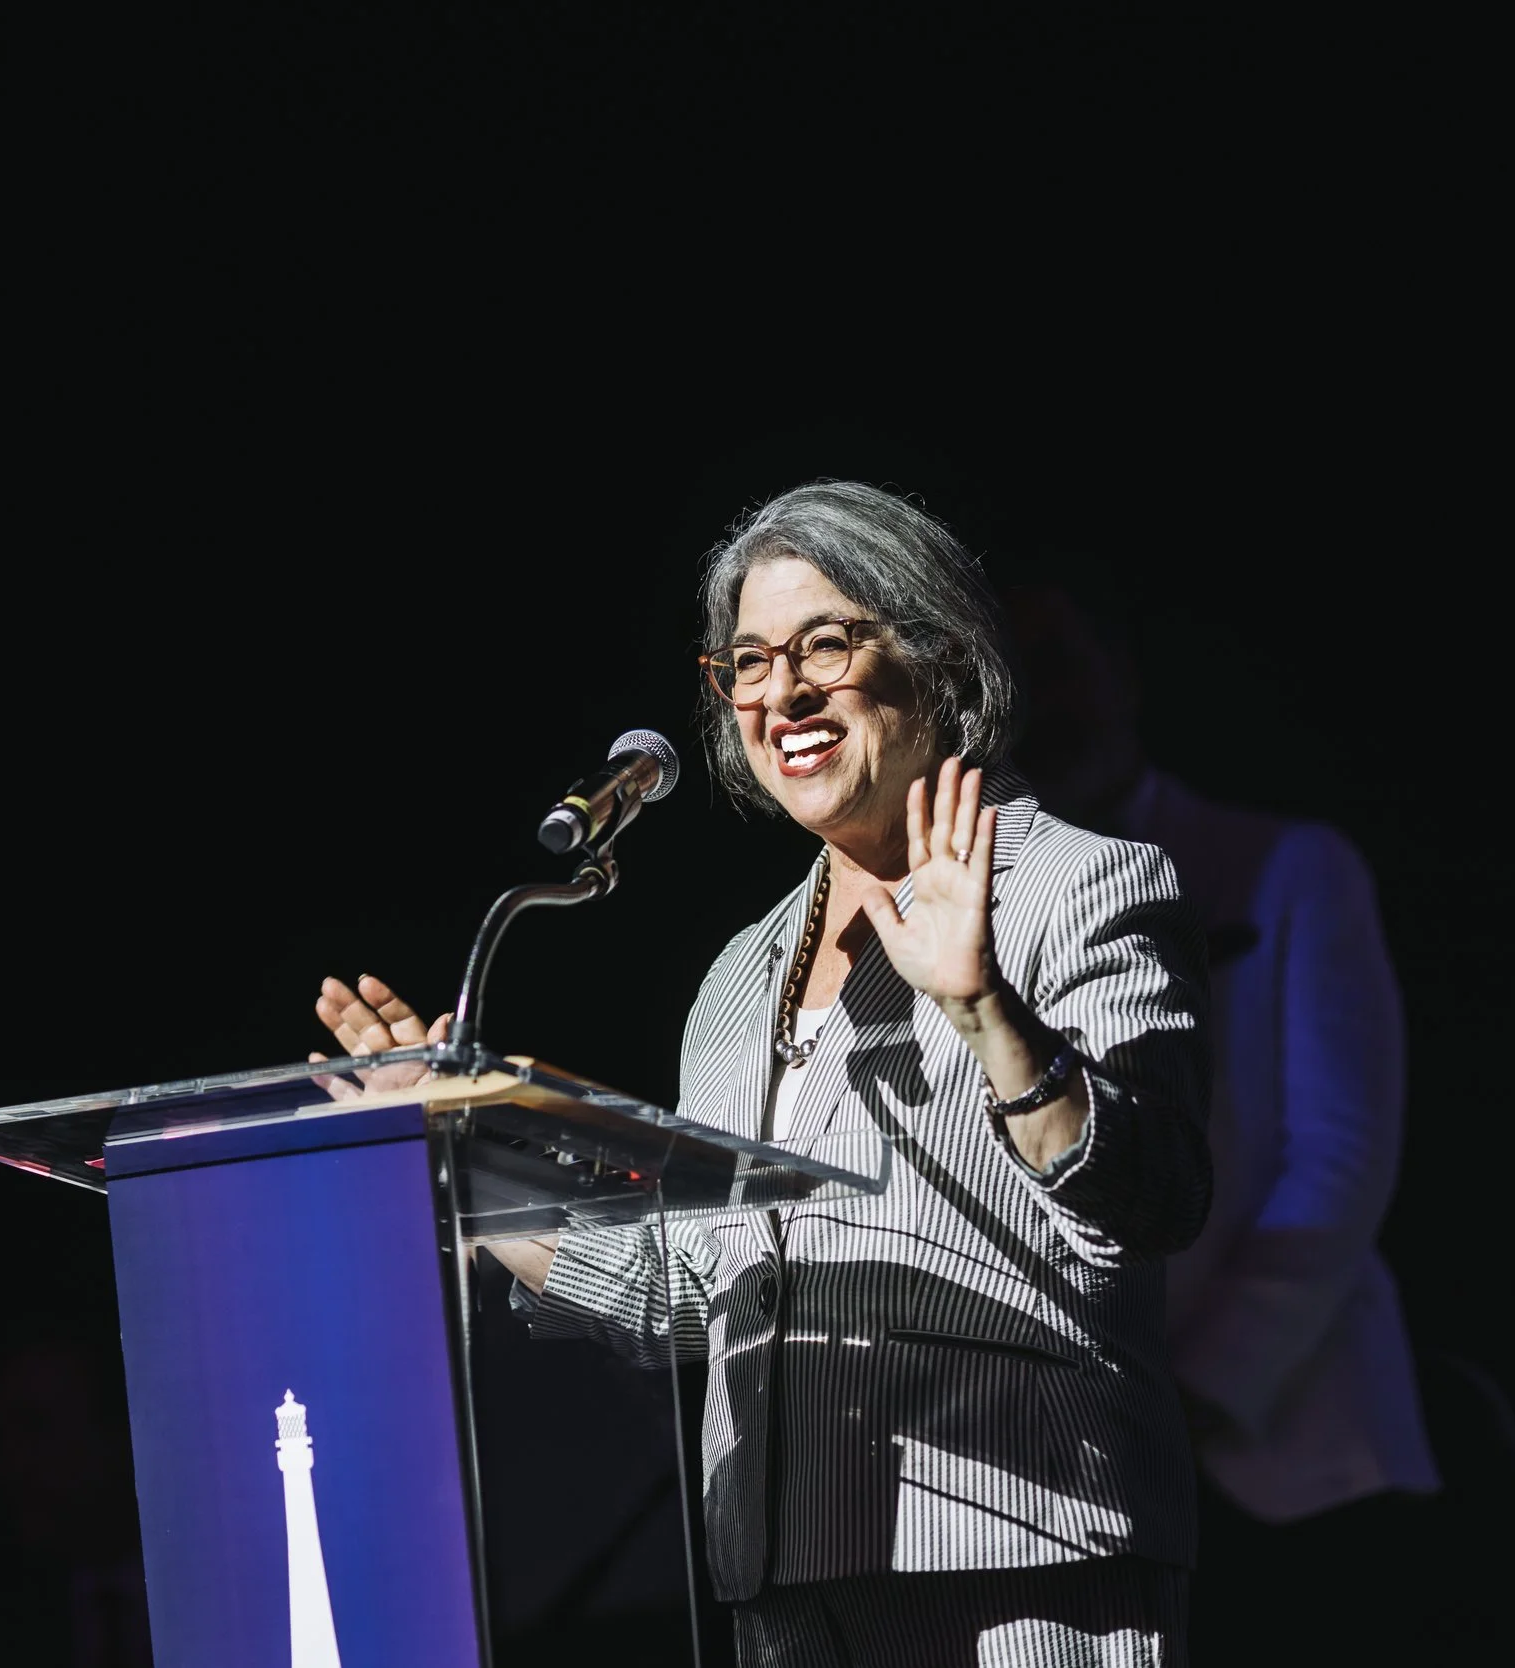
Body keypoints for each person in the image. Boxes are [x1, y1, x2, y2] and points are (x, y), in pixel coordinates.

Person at [314, 481, 1212, 1666]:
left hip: (1020, 1567)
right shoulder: (740, 981)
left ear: (937, 657)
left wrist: (983, 1007)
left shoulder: (1072, 885)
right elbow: (685, 1288)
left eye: (823, 646)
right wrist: (453, 1159)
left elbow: (1152, 1202)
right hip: (785, 1597)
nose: (779, 694)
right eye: (744, 663)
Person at [1000, 575, 1439, 1656]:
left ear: (1123, 676)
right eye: (1010, 681)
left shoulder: (1284, 867)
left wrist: (1196, 1394)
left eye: (1055, 664)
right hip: (1079, 1487)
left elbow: (1338, 1162)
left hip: (1289, 1459)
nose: (1038, 707)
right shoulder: (979, 928)